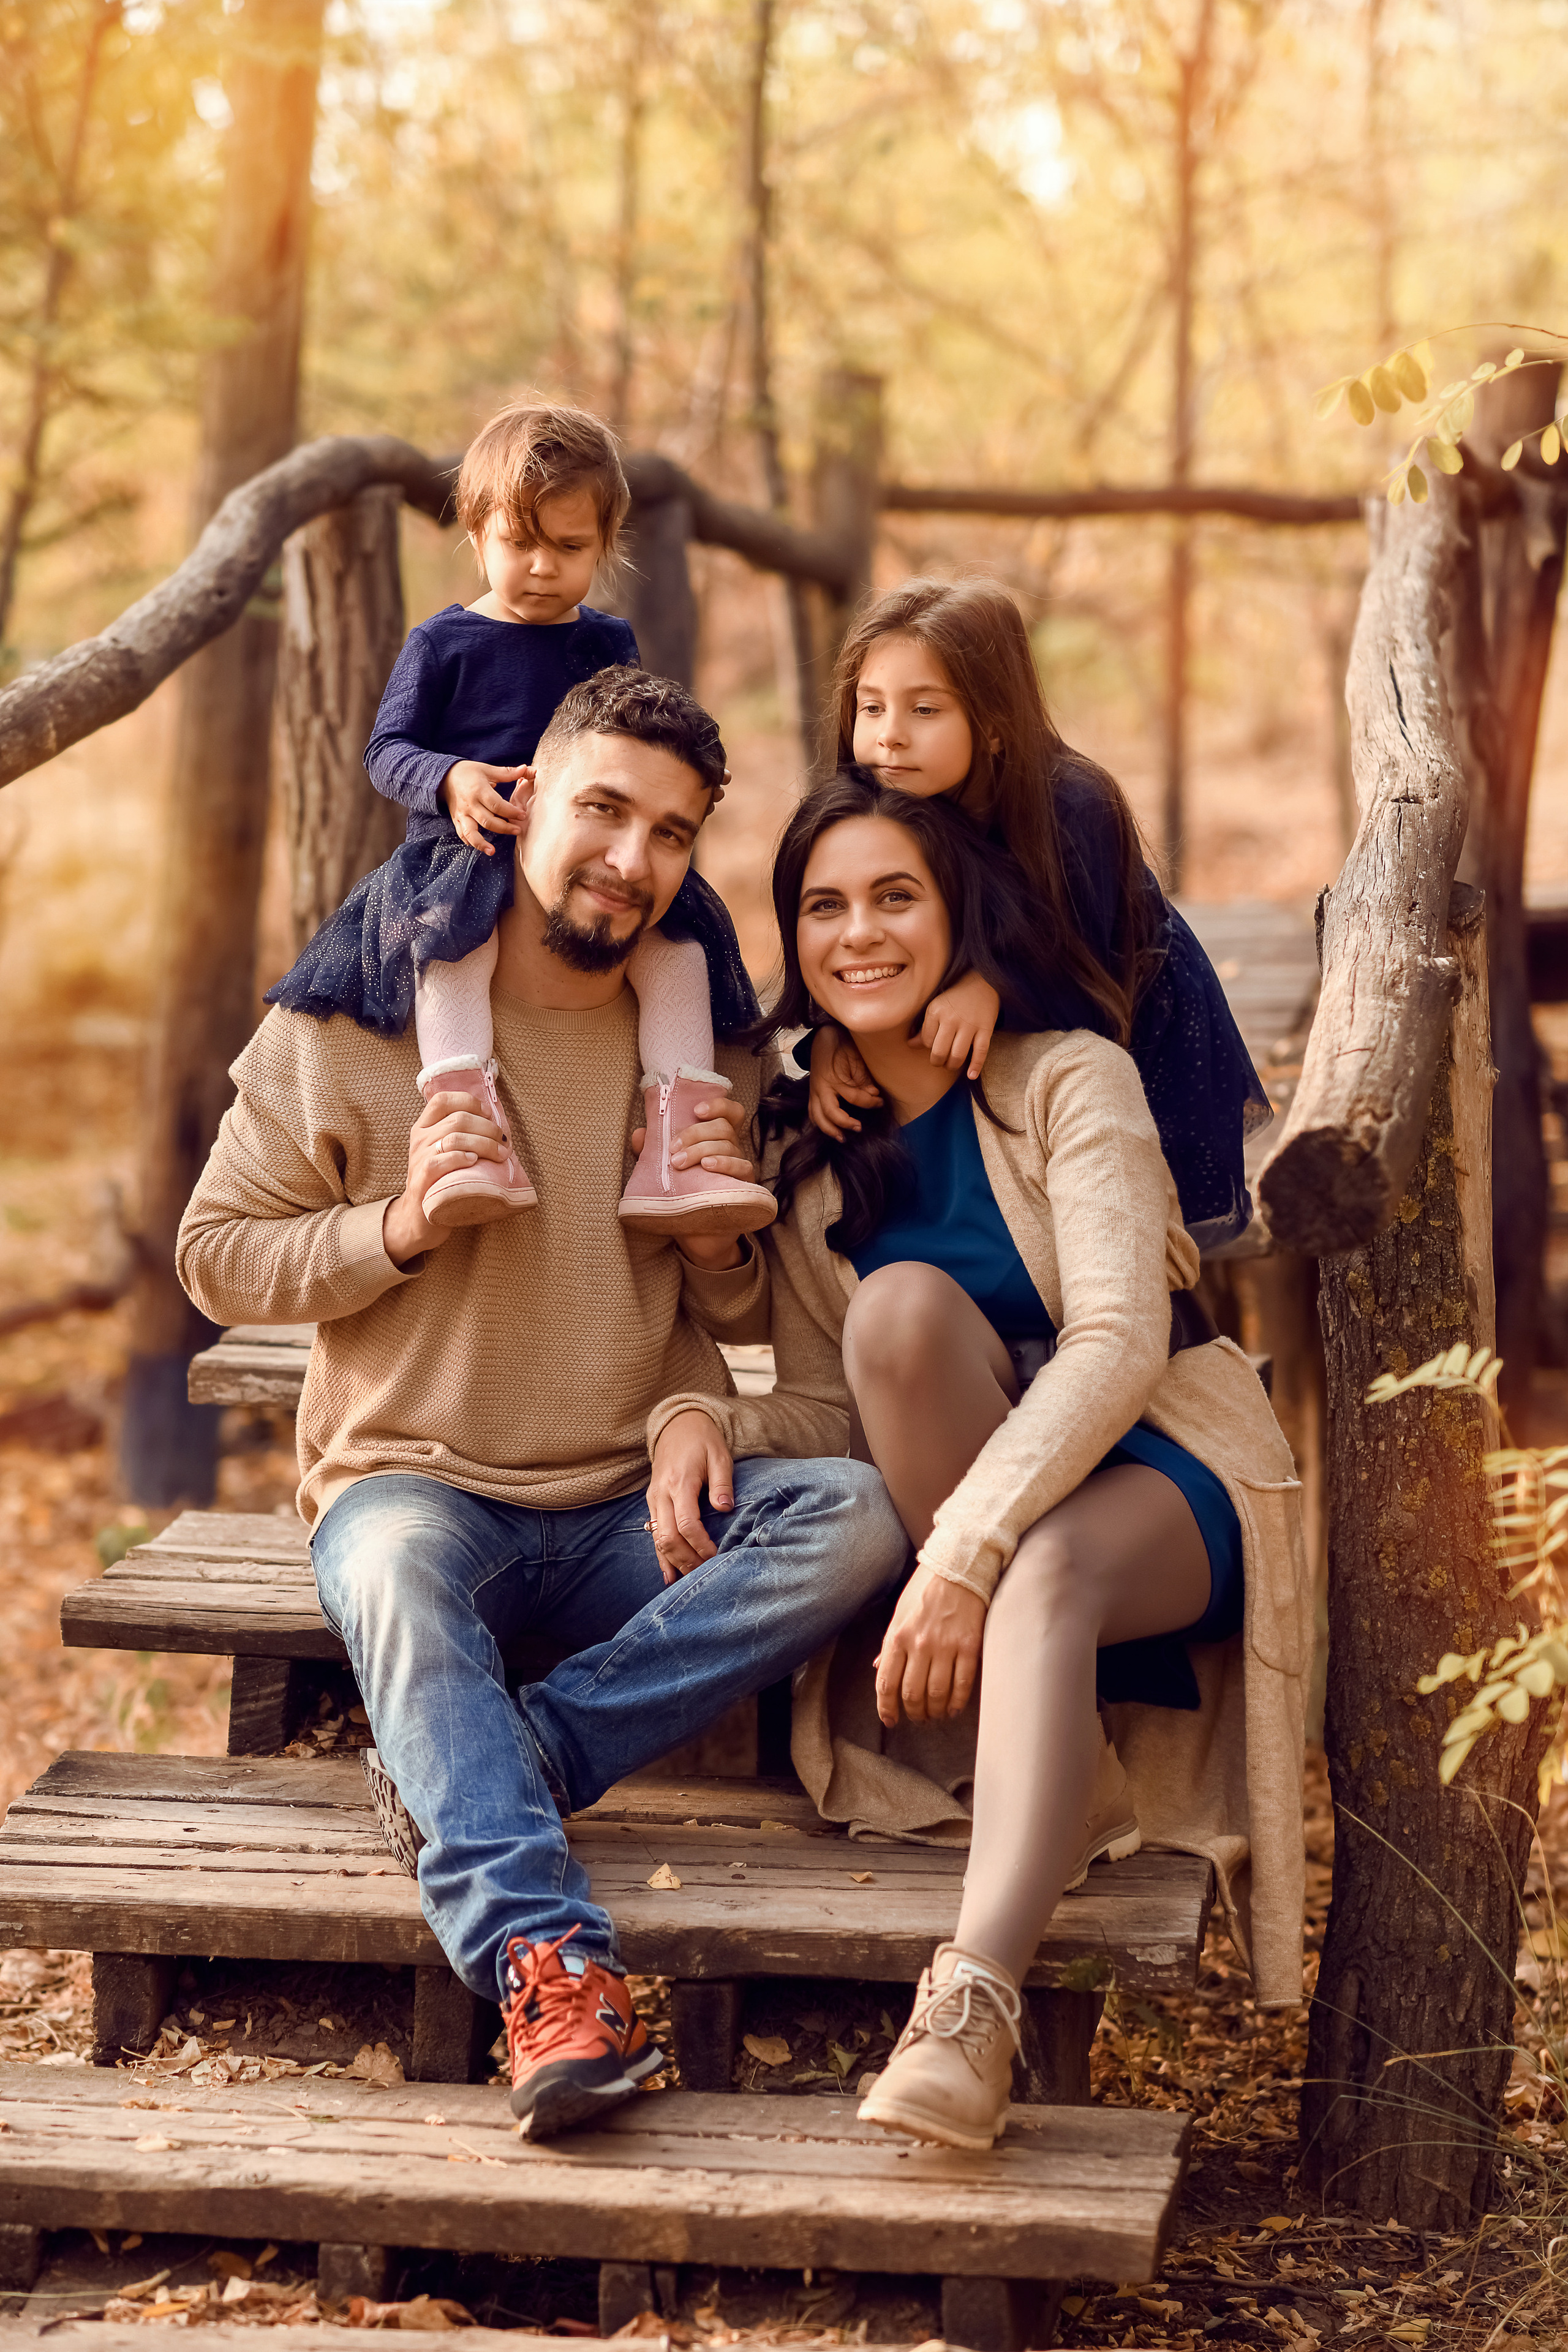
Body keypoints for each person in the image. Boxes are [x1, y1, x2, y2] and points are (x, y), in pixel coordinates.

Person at [178, 675, 908, 2141]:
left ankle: (507, 1755)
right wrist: (394, 1225)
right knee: (388, 1569)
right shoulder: (360, 1015)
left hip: (618, 1509)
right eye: (602, 809)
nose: (630, 859)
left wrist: (715, 1264)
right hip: (414, 1487)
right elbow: (214, 1257)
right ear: (524, 801)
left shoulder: (699, 1046)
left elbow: (736, 1318)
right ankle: (547, 1963)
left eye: (671, 833)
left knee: (855, 1513)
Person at [653, 771, 1309, 2154]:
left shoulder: (1068, 1075)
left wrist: (961, 1550)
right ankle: (1061, 1766)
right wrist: (691, 1415)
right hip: (980, 1487)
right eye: (823, 906)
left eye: (896, 896)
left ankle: (970, 2003)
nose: (858, 933)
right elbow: (833, 1405)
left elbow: (1124, 1336)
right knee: (895, 1314)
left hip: (1159, 1468)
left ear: (958, 918)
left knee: (1046, 1570)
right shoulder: (807, 1146)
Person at [266, 399, 773, 1241]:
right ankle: (468, 1132)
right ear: (476, 532)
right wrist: (452, 777)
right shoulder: (444, 644)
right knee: (457, 953)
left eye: (571, 549)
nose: (542, 568)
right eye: (519, 544)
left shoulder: (607, 639)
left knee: (677, 956)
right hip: (466, 857)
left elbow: (633, 732)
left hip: (587, 863)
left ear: (604, 545)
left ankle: (676, 1146)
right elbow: (386, 750)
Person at [809, 578, 1272, 1252]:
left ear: (994, 727)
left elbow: (1085, 960)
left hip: (1122, 1011)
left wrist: (989, 985)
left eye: (925, 711)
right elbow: (837, 931)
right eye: (871, 708)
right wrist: (831, 1031)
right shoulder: (878, 801)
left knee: (1121, 1205)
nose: (890, 738)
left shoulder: (1073, 806)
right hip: (985, 1025)